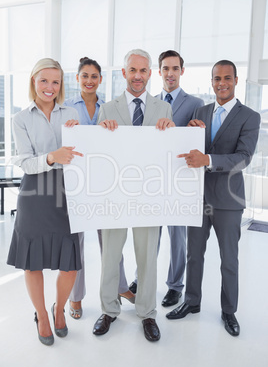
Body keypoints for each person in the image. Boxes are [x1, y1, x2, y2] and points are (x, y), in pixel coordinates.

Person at [166, 60, 260, 337]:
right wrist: (191, 133)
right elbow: (190, 149)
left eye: (227, 78)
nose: (222, 83)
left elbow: (243, 158)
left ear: (235, 80)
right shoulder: (202, 111)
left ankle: (228, 311)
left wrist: (206, 158)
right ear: (211, 81)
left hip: (228, 201)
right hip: (197, 198)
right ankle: (191, 302)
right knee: (194, 255)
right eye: (217, 78)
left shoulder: (249, 116)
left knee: (229, 259)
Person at [93, 49, 174, 342]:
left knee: (147, 258)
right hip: (115, 195)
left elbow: (168, 152)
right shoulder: (108, 108)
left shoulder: (163, 109)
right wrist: (101, 132)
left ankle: (147, 313)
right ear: (124, 73)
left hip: (148, 197)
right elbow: (99, 154)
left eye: (143, 70)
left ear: (150, 73)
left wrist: (172, 130)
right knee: (111, 256)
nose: (138, 76)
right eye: (132, 70)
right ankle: (109, 310)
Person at [7, 58, 83, 346]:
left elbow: (83, 152)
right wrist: (52, 157)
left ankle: (59, 308)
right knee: (33, 263)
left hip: (67, 194)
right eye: (44, 80)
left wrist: (82, 135)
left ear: (61, 85)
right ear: (33, 81)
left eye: (55, 82)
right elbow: (25, 163)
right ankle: (41, 314)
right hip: (35, 195)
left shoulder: (71, 113)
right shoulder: (20, 119)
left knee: (70, 265)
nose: (49, 87)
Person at [128, 50, 204, 308]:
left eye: (175, 68)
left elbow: (199, 141)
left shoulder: (195, 103)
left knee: (176, 236)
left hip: (179, 180)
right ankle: (141, 278)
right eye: (165, 68)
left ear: (182, 71)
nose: (170, 73)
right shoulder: (149, 101)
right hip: (152, 179)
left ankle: (175, 286)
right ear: (158, 72)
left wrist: (198, 130)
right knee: (148, 234)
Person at [64, 57, 135, 320]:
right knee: (77, 244)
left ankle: (121, 288)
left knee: (111, 242)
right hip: (78, 184)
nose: (90, 81)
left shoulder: (111, 108)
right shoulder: (67, 108)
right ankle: (76, 297)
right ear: (77, 78)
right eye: (85, 76)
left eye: (94, 76)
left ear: (101, 79)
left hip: (106, 183)